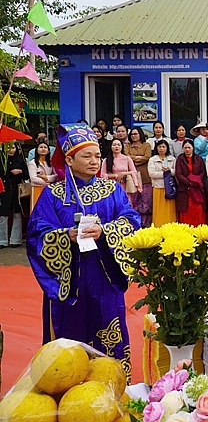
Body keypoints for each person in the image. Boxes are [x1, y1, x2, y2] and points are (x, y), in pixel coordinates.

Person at [27, 124, 141, 378]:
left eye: (97, 156)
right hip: (69, 281)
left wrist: (106, 232)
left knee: (109, 335)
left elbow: (131, 220)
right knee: (69, 342)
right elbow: (36, 233)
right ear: (69, 159)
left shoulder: (111, 190)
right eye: (86, 156)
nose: (94, 161)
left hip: (104, 277)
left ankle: (113, 389)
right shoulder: (53, 194)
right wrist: (64, 236)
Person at [124, 127, 153, 227]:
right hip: (132, 177)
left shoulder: (146, 145)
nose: (134, 136)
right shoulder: (127, 146)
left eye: (136, 134)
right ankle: (136, 223)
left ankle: (147, 223)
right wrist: (140, 158)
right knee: (135, 200)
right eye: (132, 134)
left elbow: (147, 157)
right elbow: (126, 157)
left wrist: (134, 159)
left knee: (146, 200)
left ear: (140, 134)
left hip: (145, 176)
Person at [175, 140, 208, 226]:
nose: (187, 150)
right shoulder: (180, 159)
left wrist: (196, 181)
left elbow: (203, 172)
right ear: (183, 148)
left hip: (197, 188)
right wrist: (189, 182)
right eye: (185, 148)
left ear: (193, 148)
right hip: (185, 189)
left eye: (189, 147)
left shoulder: (199, 159)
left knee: (198, 210)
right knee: (185, 211)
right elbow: (178, 174)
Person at [0, 143, 26, 247]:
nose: (11, 150)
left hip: (17, 189)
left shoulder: (20, 160)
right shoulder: (2, 160)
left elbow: (27, 173)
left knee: (17, 214)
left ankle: (16, 240)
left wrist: (20, 171)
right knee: (3, 215)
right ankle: (2, 240)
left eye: (13, 147)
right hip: (4, 190)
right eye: (8, 148)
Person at [101, 138, 140, 205]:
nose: (116, 147)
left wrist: (124, 173)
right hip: (112, 186)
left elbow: (134, 172)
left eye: (119, 145)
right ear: (111, 147)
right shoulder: (106, 160)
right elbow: (103, 175)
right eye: (114, 145)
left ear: (122, 147)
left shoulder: (127, 158)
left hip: (125, 185)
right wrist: (115, 176)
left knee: (125, 204)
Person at [148, 140, 177, 227]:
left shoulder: (172, 159)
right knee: (159, 210)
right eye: (159, 147)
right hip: (158, 187)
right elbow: (152, 173)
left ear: (167, 148)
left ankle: (171, 228)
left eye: (163, 147)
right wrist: (165, 174)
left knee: (170, 210)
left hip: (169, 188)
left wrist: (170, 171)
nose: (161, 149)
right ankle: (158, 227)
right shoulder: (152, 159)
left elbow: (176, 172)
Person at [28, 141, 58, 212]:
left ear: (48, 151)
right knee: (37, 210)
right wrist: (48, 182)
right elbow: (33, 179)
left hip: (49, 189)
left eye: (45, 147)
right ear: (37, 150)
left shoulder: (50, 162)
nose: (43, 149)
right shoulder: (32, 163)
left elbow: (56, 175)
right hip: (37, 189)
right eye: (41, 147)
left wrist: (46, 177)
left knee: (48, 210)